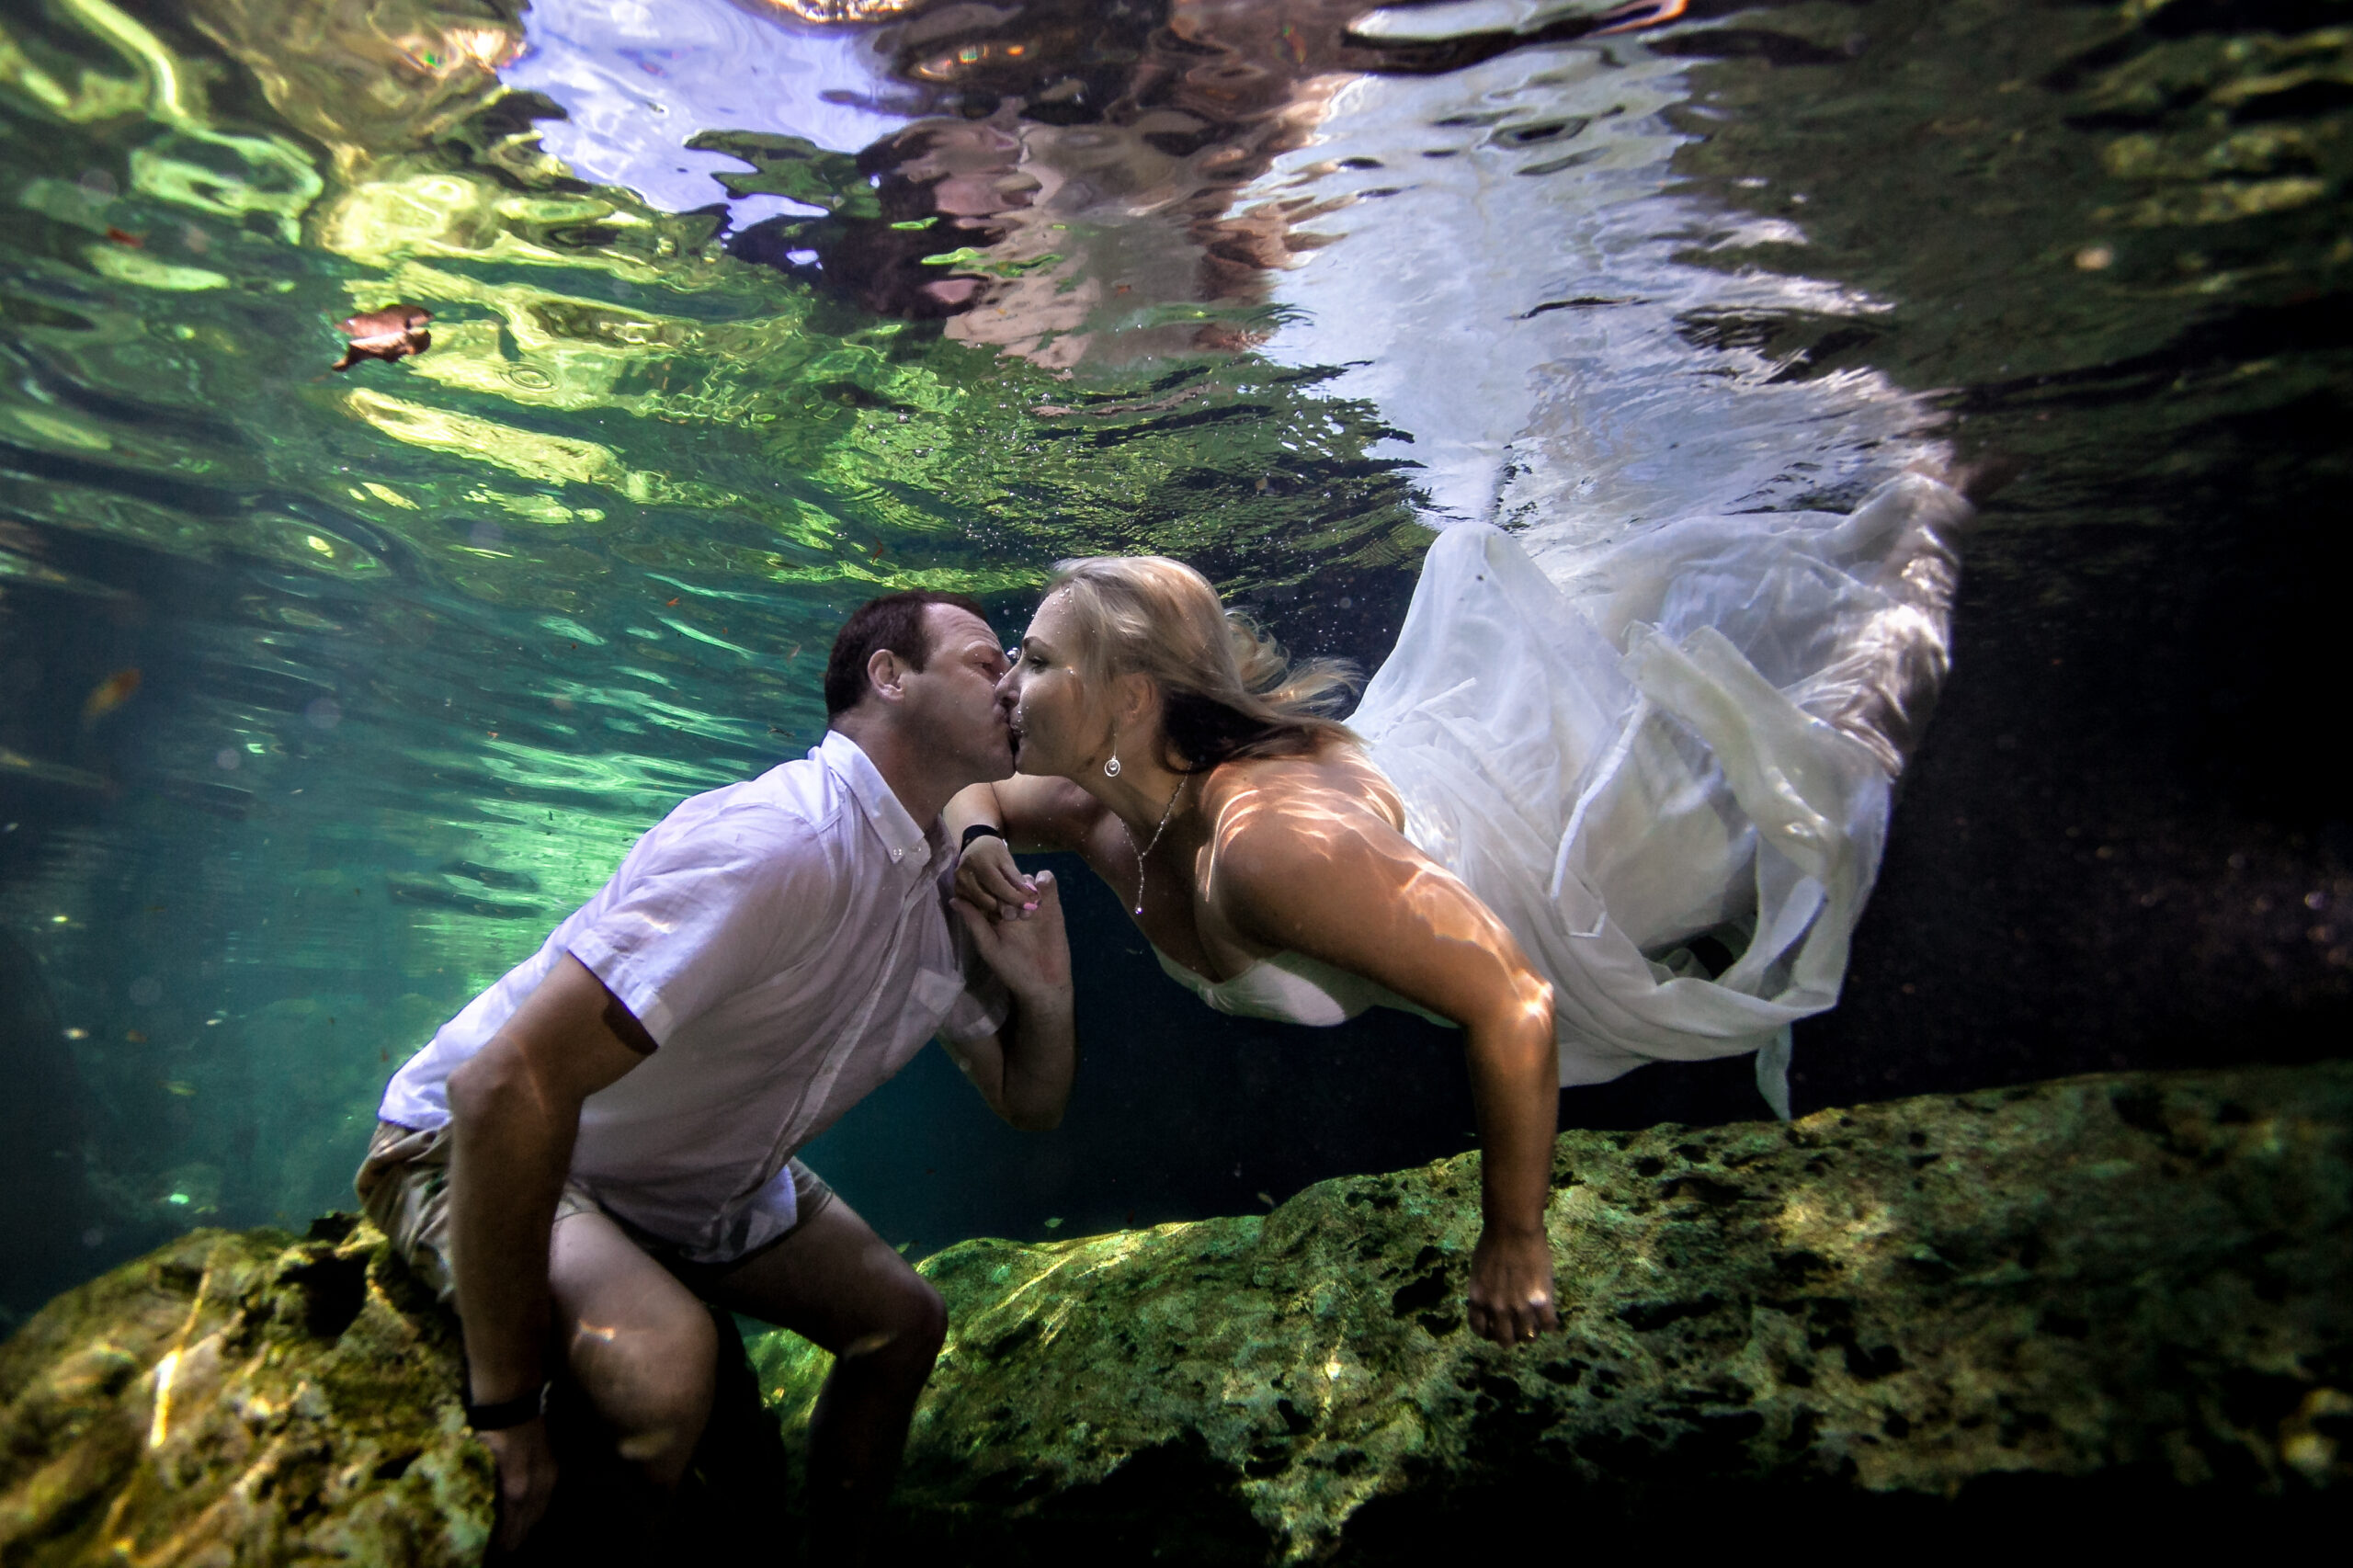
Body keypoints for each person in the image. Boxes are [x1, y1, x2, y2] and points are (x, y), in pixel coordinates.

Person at [949, 469, 1975, 1351]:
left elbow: (1515, 998)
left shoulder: (1269, 847)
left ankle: (1937, 508)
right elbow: (978, 797)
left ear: (1129, 699)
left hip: (1572, 859)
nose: (1005, 676)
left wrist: (1514, 1234)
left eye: (1036, 660)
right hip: (1445, 773)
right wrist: (977, 841)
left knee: (1828, 755)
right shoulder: (1103, 807)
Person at [356, 590, 1074, 1554]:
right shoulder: (781, 843)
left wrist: (1049, 996)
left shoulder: (943, 885)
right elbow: (500, 1086)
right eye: (987, 662)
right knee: (662, 1364)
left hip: (690, 1178)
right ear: (889, 676)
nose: (1014, 686)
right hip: (470, 1148)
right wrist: (507, 1413)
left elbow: (1031, 1101)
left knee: (901, 1323)